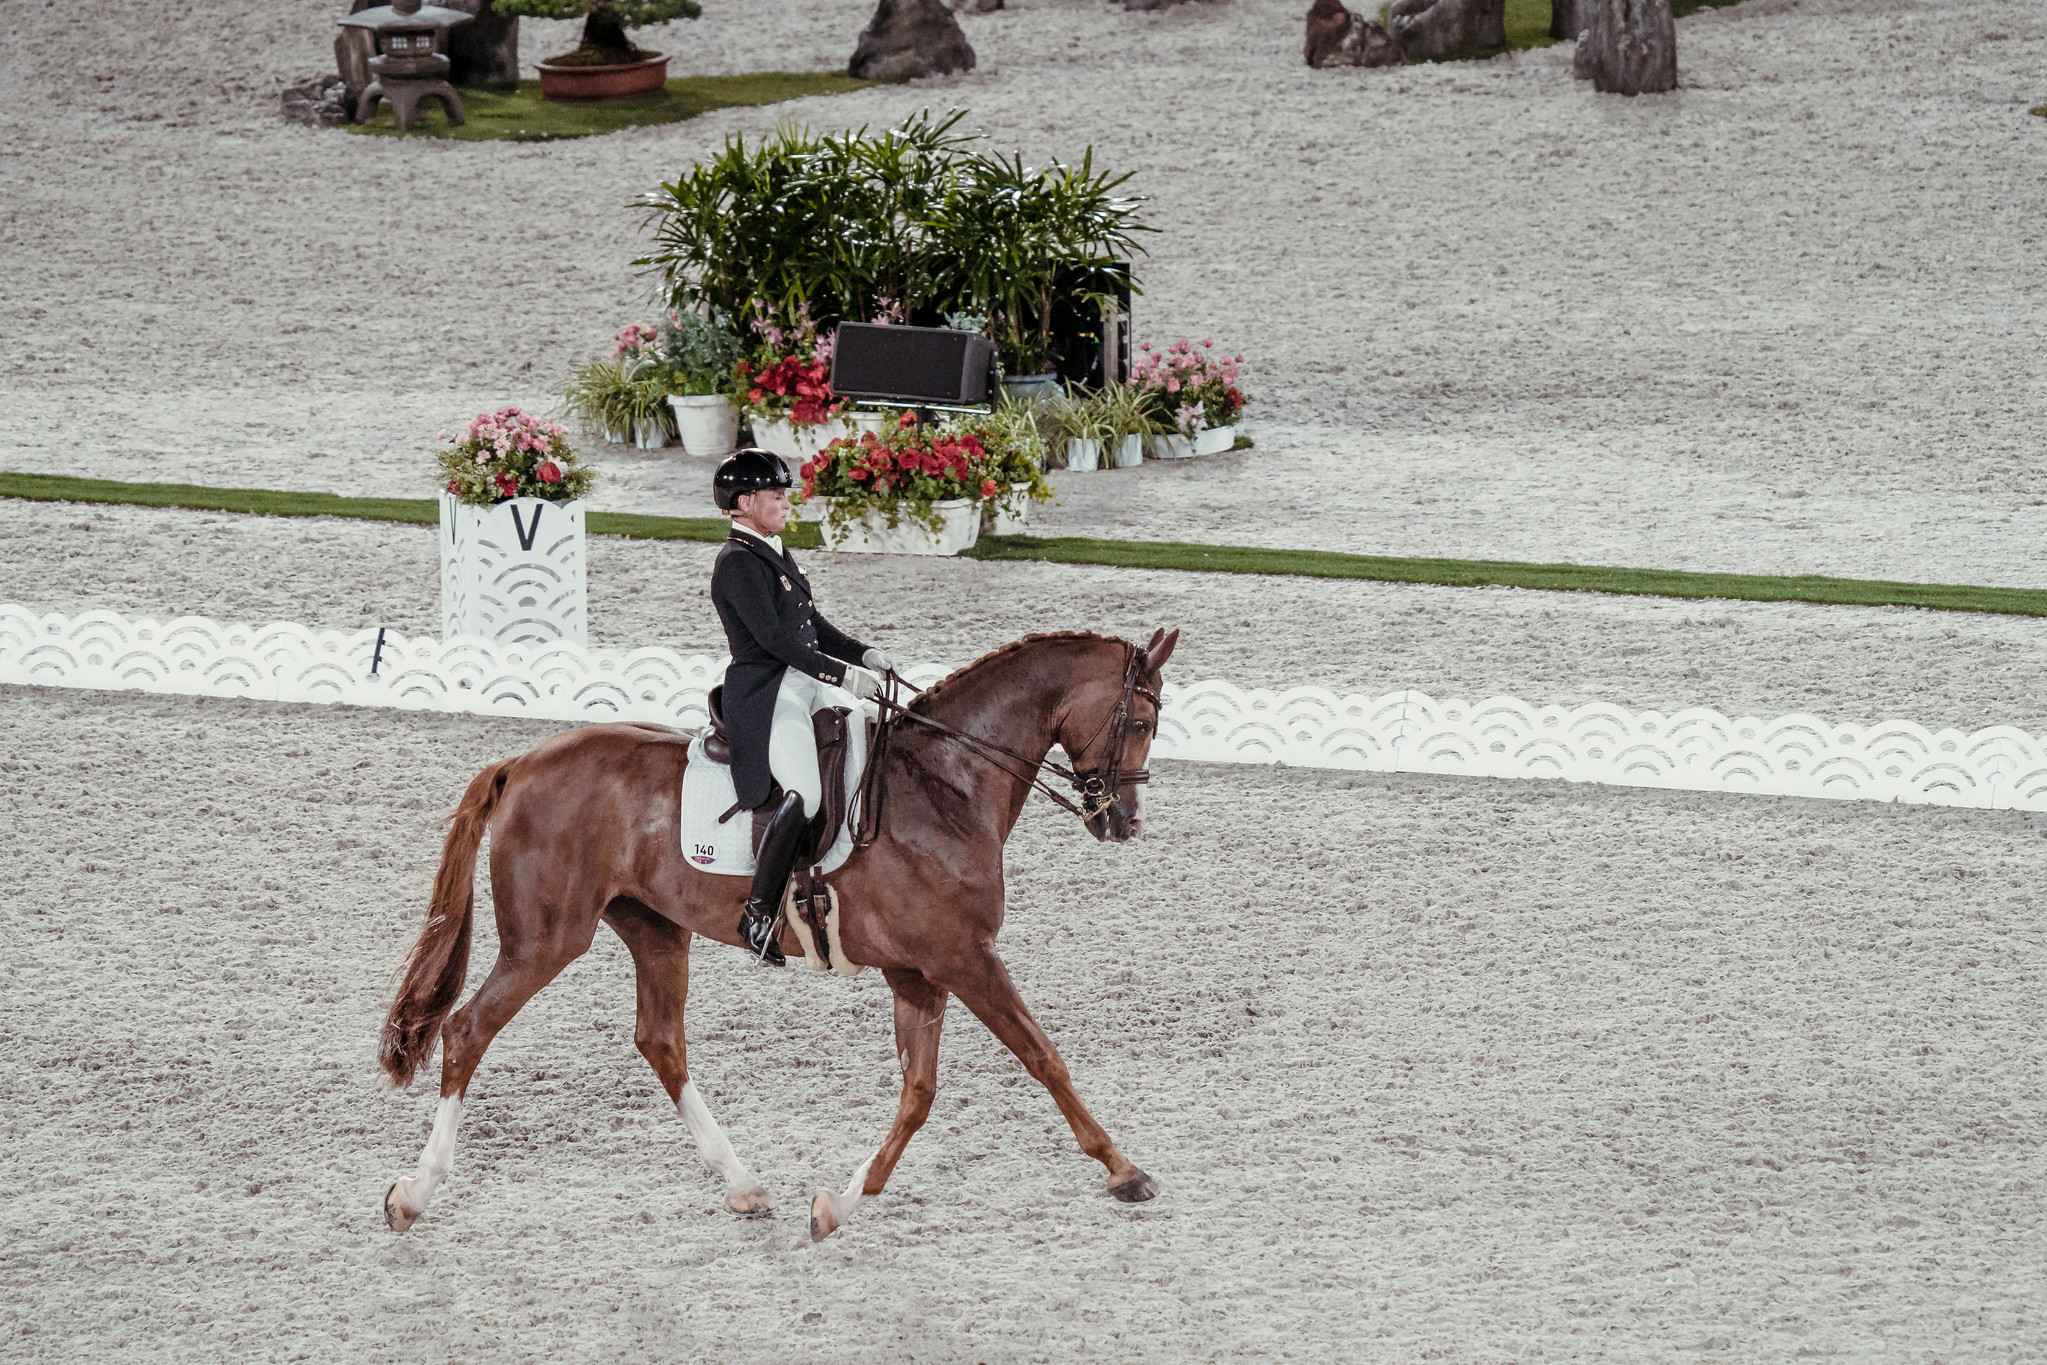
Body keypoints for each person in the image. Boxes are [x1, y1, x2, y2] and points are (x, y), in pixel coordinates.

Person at [709, 448, 893, 965]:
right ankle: (758, 913)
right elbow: (775, 641)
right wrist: (842, 675)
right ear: (745, 502)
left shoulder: (772, 549)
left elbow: (811, 627)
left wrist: (862, 654)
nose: (787, 502)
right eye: (776, 494)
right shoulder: (737, 562)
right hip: (769, 691)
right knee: (805, 794)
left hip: (804, 680)